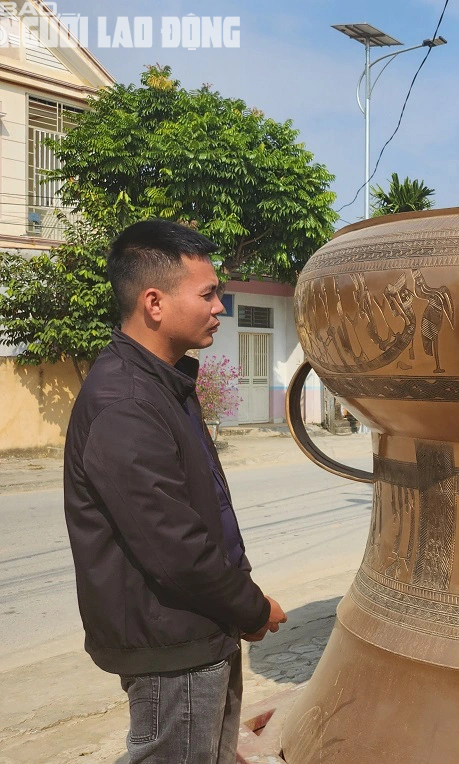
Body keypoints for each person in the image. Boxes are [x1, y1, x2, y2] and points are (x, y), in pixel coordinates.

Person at [63, 219, 287, 763]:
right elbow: (176, 548)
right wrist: (253, 610)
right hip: (173, 644)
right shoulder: (126, 402)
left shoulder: (162, 384)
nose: (220, 308)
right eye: (208, 294)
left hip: (198, 629)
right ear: (155, 303)